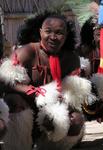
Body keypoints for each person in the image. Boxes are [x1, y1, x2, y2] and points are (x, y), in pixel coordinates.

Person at [0, 11, 82, 150]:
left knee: (75, 121)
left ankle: (53, 144)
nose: (53, 37)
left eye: (59, 33)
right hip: (27, 106)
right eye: (48, 31)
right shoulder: (27, 52)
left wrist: (62, 110)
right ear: (40, 32)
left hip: (53, 108)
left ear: (66, 36)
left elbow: (74, 95)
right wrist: (35, 92)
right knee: (14, 101)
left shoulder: (72, 59)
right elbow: (4, 82)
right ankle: (20, 144)